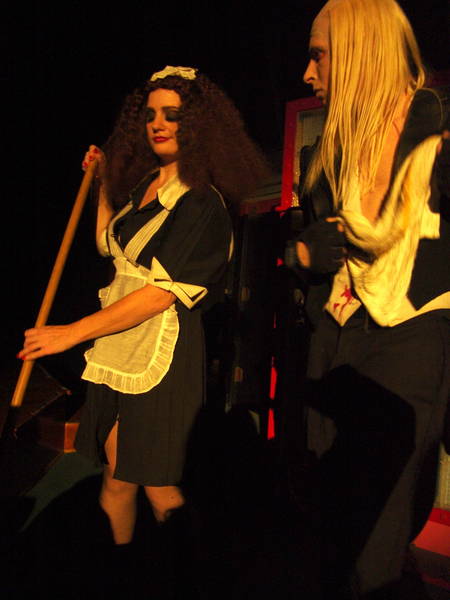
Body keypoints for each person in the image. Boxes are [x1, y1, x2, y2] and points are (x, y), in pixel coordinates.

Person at [18, 66, 268, 557]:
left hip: (162, 357)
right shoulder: (147, 187)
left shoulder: (201, 203)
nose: (158, 124)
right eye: (150, 114)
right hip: (120, 346)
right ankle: (124, 572)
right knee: (116, 480)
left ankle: (198, 577)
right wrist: (102, 183)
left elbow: (158, 295)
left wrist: (70, 333)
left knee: (159, 488)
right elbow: (108, 245)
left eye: (171, 114)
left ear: (197, 123)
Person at [290, 1, 450, 598]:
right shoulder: (326, 156)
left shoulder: (437, 130)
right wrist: (301, 254)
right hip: (336, 341)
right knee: (326, 522)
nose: (308, 73)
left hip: (412, 331)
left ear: (360, 49)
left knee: (376, 537)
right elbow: (304, 248)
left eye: (319, 54)